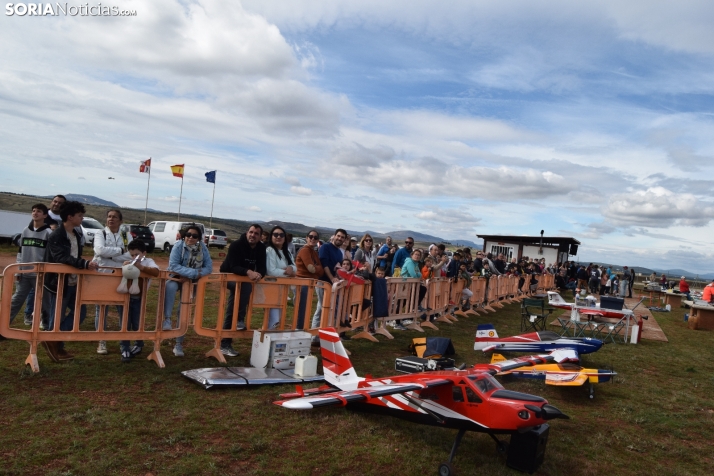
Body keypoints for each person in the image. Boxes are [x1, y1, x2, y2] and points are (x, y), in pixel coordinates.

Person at [43, 201, 99, 362]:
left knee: (80, 313)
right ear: (70, 217)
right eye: (80, 216)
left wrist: (83, 263)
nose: (82, 218)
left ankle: (53, 340)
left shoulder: (77, 234)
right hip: (58, 282)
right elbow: (61, 258)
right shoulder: (57, 235)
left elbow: (73, 256)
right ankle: (55, 345)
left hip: (74, 281)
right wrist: (84, 263)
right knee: (57, 316)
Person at [163, 224, 212, 357]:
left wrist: (192, 275)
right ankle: (167, 319)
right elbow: (173, 265)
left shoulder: (203, 249)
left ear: (199, 238)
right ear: (184, 235)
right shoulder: (178, 246)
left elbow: (209, 267)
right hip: (176, 279)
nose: (190, 237)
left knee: (183, 311)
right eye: (188, 234)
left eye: (194, 236)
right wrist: (193, 273)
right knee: (170, 287)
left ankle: (179, 344)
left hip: (192, 283)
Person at [219, 224, 266, 356]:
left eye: (256, 233)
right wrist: (248, 272)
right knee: (245, 287)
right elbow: (233, 266)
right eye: (251, 232)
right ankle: (239, 319)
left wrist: (259, 274)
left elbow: (263, 267)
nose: (253, 235)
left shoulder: (262, 248)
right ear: (247, 233)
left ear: (260, 236)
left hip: (244, 279)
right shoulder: (236, 245)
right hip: (228, 276)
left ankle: (225, 344)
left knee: (233, 306)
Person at [93, 209, 133, 355]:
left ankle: (123, 340)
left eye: (115, 217)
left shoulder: (126, 235)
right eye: (109, 217)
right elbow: (99, 250)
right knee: (102, 308)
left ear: (120, 221)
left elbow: (131, 254)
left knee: (122, 308)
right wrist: (120, 252)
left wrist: (113, 255)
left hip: (121, 275)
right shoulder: (100, 233)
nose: (111, 219)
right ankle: (101, 340)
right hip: (103, 274)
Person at [8, 204, 52, 327]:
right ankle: (3, 326)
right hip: (25, 274)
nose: (35, 213)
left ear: (45, 215)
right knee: (16, 300)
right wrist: (18, 271)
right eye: (33, 211)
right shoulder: (25, 231)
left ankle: (48, 328)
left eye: (38, 211)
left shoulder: (48, 233)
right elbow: (20, 252)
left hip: (40, 275)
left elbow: (50, 256)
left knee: (46, 303)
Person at [119, 241, 159, 362]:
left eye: (136, 254)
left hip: (139, 298)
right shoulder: (127, 261)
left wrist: (141, 267)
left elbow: (156, 272)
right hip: (125, 298)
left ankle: (138, 344)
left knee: (137, 323)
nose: (133, 257)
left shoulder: (148, 261)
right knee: (124, 323)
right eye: (131, 255)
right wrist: (124, 266)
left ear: (144, 253)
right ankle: (125, 347)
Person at [311, 229, 347, 341]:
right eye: (338, 236)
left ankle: (316, 335)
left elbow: (338, 268)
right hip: (324, 282)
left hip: (333, 283)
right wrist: (331, 278)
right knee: (324, 308)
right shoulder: (325, 247)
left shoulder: (339, 251)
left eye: (342, 237)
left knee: (321, 308)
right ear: (334, 236)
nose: (340, 238)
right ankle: (317, 335)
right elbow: (324, 264)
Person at [265, 226, 296, 329]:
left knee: (279, 318)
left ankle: (270, 341)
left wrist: (291, 268)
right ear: (271, 237)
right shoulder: (269, 250)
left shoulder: (287, 251)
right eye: (275, 234)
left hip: (283, 290)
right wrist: (287, 272)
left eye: (281, 235)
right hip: (271, 289)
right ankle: (265, 342)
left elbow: (295, 268)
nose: (278, 237)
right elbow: (271, 271)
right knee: (274, 319)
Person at [295, 230, 324, 328]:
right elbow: (311, 269)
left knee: (306, 309)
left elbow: (320, 270)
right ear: (306, 238)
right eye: (311, 236)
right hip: (302, 283)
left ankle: (300, 330)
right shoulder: (305, 250)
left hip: (309, 283)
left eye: (315, 237)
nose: (313, 239)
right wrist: (318, 267)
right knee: (301, 309)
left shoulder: (314, 252)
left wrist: (317, 268)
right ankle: (298, 331)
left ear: (318, 240)